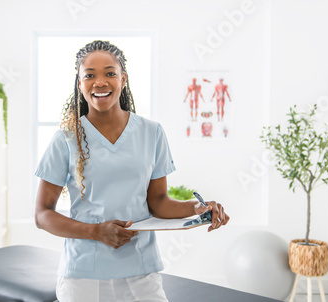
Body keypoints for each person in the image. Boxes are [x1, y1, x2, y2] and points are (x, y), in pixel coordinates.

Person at [35, 40, 230, 302]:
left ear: (123, 79)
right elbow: (42, 215)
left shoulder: (152, 133)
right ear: (79, 83)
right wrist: (96, 232)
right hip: (83, 274)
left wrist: (196, 209)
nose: (100, 82)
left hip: (140, 271)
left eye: (110, 73)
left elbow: (158, 202)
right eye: (90, 75)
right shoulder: (67, 139)